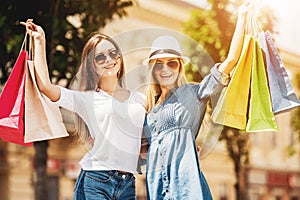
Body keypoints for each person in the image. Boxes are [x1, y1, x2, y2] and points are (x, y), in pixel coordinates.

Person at [21, 19, 146, 199]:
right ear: (92, 65)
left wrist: (181, 147)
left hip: (128, 183)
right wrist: (40, 41)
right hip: (96, 180)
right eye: (100, 57)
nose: (109, 60)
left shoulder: (139, 98)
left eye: (113, 53)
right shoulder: (86, 99)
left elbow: (145, 142)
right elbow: (46, 87)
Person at [141, 1, 251, 199]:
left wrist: (241, 17)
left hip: (186, 188)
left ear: (179, 67)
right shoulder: (149, 111)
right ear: (152, 69)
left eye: (171, 63)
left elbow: (231, 60)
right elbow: (142, 150)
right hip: (157, 190)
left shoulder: (193, 94)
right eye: (159, 64)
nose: (165, 69)